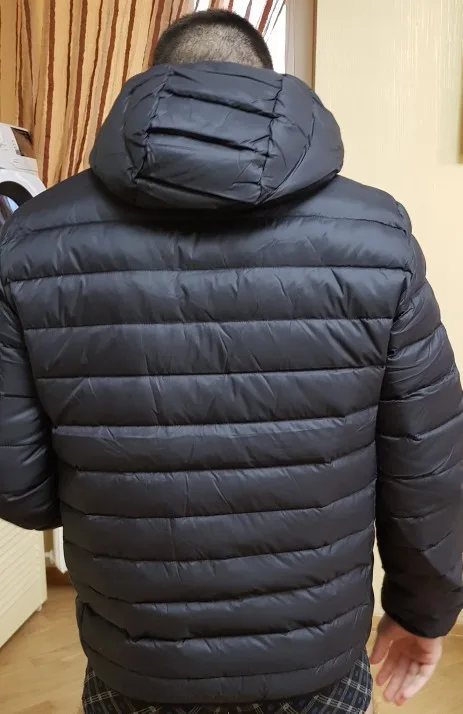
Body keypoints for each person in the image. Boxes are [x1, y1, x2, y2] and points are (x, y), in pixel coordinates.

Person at [0, 9, 461, 714]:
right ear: (268, 87)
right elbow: (427, 467)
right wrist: (423, 612)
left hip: (138, 660)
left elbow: (22, 489)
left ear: (153, 87)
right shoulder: (377, 239)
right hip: (314, 659)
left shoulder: (32, 240)